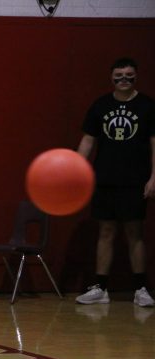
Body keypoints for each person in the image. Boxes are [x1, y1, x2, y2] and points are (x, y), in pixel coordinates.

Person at [76, 57, 155, 307]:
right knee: (106, 231)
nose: (124, 79)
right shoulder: (100, 105)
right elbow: (88, 140)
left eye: (129, 75)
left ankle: (141, 288)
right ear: (111, 78)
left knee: (134, 233)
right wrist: (76, 168)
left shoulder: (147, 106)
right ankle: (100, 288)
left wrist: (154, 177)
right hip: (104, 179)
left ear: (136, 77)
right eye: (119, 75)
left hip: (135, 180)